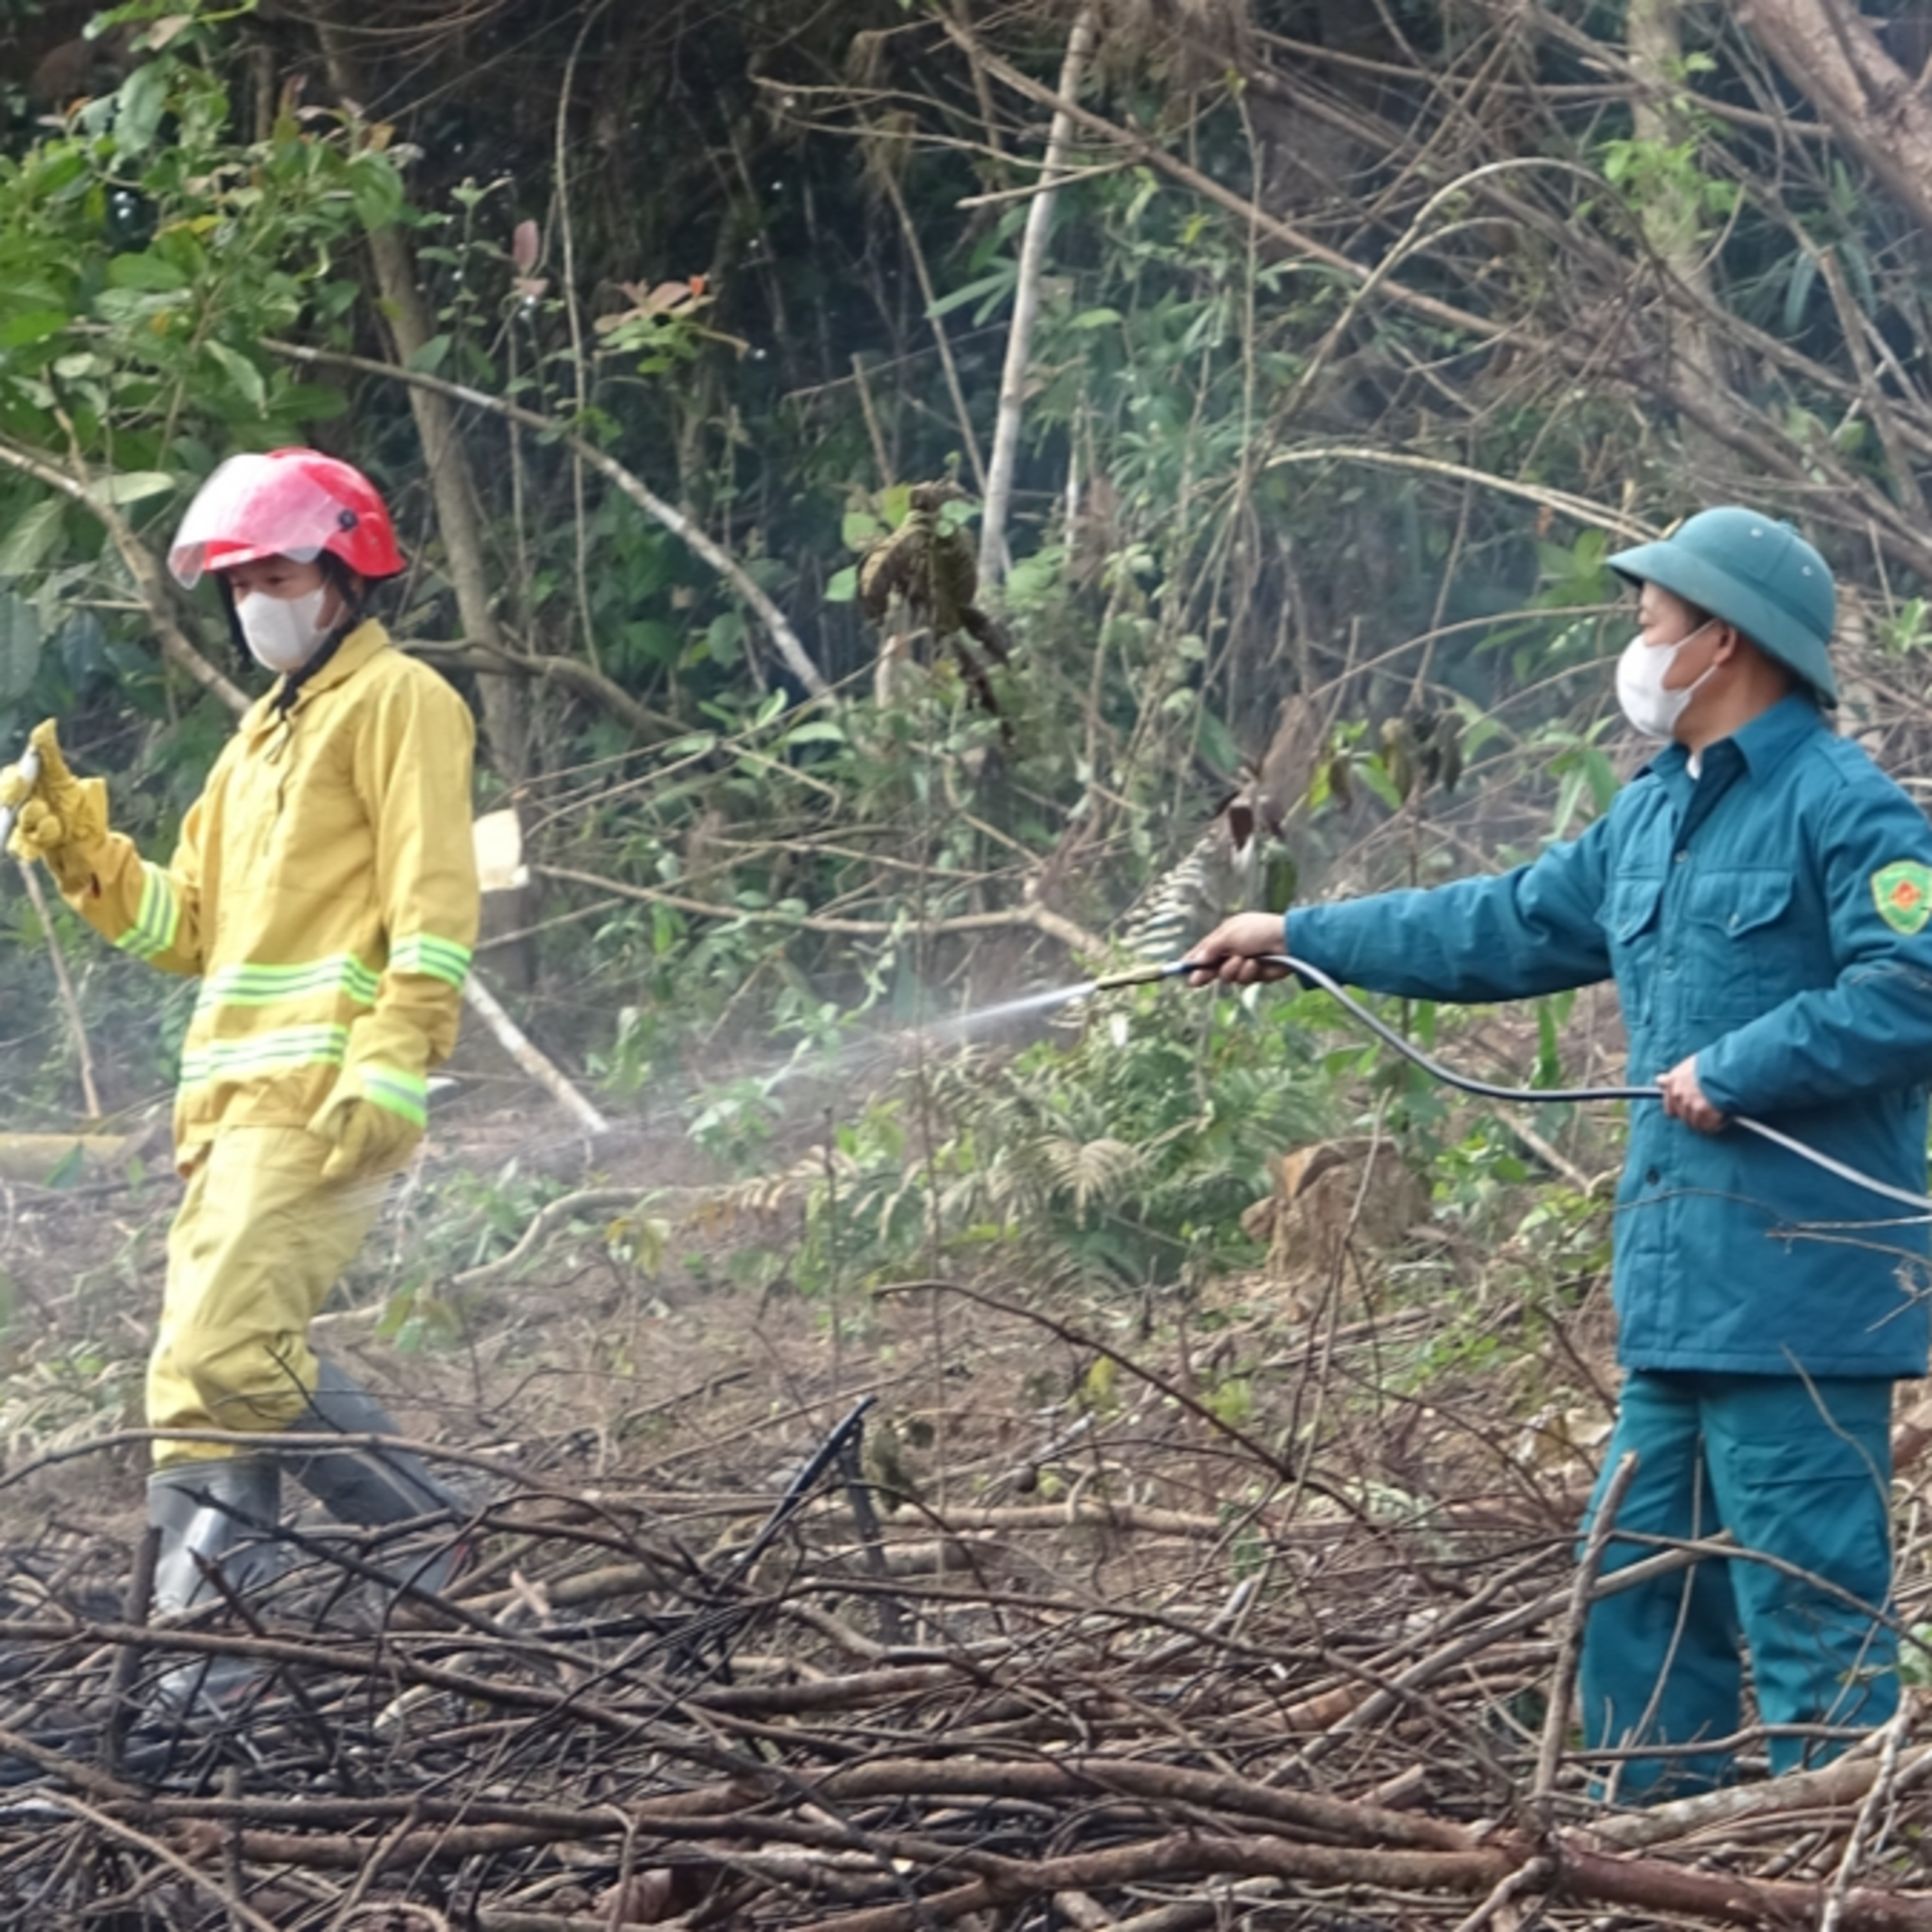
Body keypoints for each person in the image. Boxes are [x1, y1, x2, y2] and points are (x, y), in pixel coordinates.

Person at [1188, 506, 1932, 1798]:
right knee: (1636, 1597)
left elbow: (1913, 984)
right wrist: (1300, 936)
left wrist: (1744, 1066)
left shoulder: (1845, 809)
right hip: (1676, 1300)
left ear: (1724, 640)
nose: (1637, 648)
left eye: (1652, 622)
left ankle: (1839, 1856)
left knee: (1810, 1610)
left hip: (1800, 1303)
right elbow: (1497, 923)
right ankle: (1648, 1844)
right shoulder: (1651, 817)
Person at [0, 448, 482, 1711]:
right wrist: (87, 853)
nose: (257, 599)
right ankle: (209, 1662)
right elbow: (191, 930)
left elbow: (434, 902)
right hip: (227, 1119)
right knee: (190, 1383)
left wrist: (397, 1055)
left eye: (277, 574)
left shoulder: (402, 702)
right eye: (242, 582)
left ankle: (421, 1547)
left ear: (345, 572)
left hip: (329, 1097)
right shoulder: (258, 740)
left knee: (229, 1353)